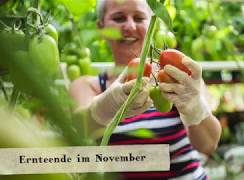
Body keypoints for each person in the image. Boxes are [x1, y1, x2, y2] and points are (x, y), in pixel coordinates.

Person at [69, 0, 221, 179]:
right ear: (101, 27)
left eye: (139, 17)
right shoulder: (89, 86)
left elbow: (208, 145)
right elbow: (79, 127)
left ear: (152, 23)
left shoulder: (176, 78)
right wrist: (107, 104)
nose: (130, 26)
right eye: (118, 18)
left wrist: (195, 108)